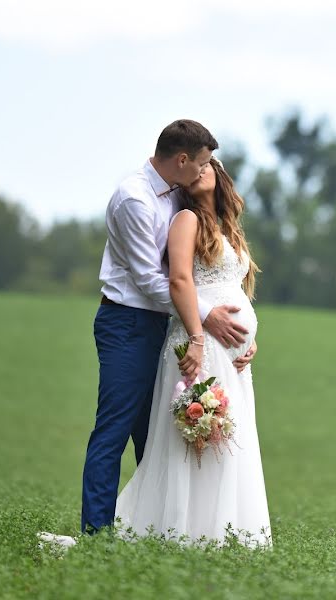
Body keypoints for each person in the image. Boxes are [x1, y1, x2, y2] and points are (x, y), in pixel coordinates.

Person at [80, 120, 254, 535]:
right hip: (130, 322)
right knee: (116, 427)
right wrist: (205, 318)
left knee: (157, 433)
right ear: (182, 161)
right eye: (202, 164)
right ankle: (97, 534)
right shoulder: (135, 200)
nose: (205, 171)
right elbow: (151, 280)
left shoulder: (177, 193)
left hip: (171, 323)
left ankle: (158, 527)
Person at [114, 156, 271, 546]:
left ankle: (221, 532)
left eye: (209, 164)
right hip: (199, 344)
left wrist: (251, 339)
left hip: (233, 356)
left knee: (229, 439)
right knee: (199, 436)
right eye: (197, 166)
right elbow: (180, 280)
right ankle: (184, 530)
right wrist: (198, 338)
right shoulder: (186, 220)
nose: (202, 169)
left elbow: (236, 291)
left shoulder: (229, 228)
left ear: (220, 175)